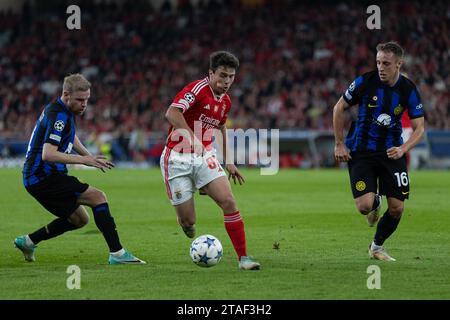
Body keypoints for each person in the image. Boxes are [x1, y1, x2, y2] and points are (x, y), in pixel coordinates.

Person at [15, 74, 145, 265]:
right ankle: (117, 253)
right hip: (43, 177)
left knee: (79, 219)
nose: (84, 104)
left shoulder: (62, 111)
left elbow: (70, 136)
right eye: (80, 100)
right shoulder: (59, 116)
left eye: (86, 100)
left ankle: (28, 241)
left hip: (41, 177)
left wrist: (89, 156)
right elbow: (48, 154)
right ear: (66, 94)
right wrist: (85, 160)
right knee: (98, 197)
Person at [160, 51, 260, 270]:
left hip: (205, 155)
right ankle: (186, 217)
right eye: (222, 75)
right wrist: (191, 137)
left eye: (231, 77)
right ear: (211, 73)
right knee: (189, 222)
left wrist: (229, 161)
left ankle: (244, 258)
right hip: (176, 159)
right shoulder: (197, 89)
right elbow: (172, 113)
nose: (226, 82)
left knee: (229, 202)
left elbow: (221, 127)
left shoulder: (225, 101)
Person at [332, 42, 425, 261]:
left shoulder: (408, 89)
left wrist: (403, 148)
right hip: (361, 151)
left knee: (397, 209)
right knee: (364, 207)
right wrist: (339, 143)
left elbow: (420, 127)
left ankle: (376, 246)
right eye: (378, 62)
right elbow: (339, 108)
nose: (380, 67)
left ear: (399, 64)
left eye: (386, 63)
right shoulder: (365, 81)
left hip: (391, 152)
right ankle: (375, 202)